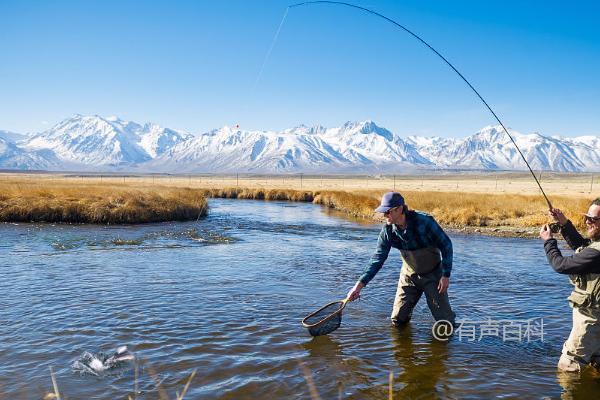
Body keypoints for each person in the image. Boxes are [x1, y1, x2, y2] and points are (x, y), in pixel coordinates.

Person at [346, 192, 456, 328]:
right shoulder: (388, 231)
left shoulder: (424, 222)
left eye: (387, 212)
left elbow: (446, 245)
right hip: (409, 275)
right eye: (383, 212)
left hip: (434, 275)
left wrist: (445, 275)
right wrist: (358, 286)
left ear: (399, 209)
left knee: (445, 323)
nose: (384, 216)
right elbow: (377, 259)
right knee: (398, 320)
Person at [540, 197, 600, 373]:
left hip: (591, 322)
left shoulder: (596, 254)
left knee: (568, 368)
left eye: (593, 219)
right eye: (586, 217)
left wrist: (549, 241)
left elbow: (561, 265)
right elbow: (584, 247)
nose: (587, 221)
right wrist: (564, 223)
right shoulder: (595, 249)